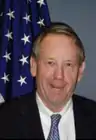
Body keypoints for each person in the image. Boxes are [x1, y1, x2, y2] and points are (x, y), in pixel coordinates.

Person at [0, 22, 96, 139]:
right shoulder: (4, 119)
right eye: (51, 63)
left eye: (68, 64)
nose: (59, 76)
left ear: (80, 71)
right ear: (34, 66)